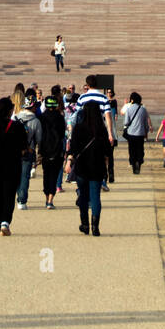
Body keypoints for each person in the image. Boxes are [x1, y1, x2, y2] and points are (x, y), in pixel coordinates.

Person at [0, 95, 29, 235]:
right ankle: (5, 222)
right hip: (13, 164)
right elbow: (23, 147)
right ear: (10, 110)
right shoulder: (18, 126)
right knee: (9, 195)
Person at [67, 100, 111, 236]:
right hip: (97, 167)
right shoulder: (101, 130)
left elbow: (73, 148)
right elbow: (108, 152)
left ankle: (85, 224)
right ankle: (95, 227)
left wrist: (68, 161)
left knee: (83, 197)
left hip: (82, 167)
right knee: (95, 198)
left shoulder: (79, 128)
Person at [15, 92, 42, 209]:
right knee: (25, 176)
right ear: (33, 107)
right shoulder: (36, 121)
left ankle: (18, 196)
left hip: (14, 151)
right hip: (29, 151)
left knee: (16, 175)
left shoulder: (15, 117)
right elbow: (39, 139)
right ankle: (22, 200)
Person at [40, 91, 66, 208]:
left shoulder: (42, 117)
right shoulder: (60, 118)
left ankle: (47, 197)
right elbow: (62, 135)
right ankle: (50, 199)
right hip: (57, 149)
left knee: (46, 174)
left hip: (45, 149)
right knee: (54, 175)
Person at [122, 91, 152, 173]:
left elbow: (126, 122)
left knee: (132, 150)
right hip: (140, 133)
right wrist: (146, 132)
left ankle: (133, 164)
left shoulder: (129, 109)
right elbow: (146, 123)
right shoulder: (143, 110)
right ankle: (139, 161)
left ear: (132, 100)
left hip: (131, 133)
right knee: (140, 149)